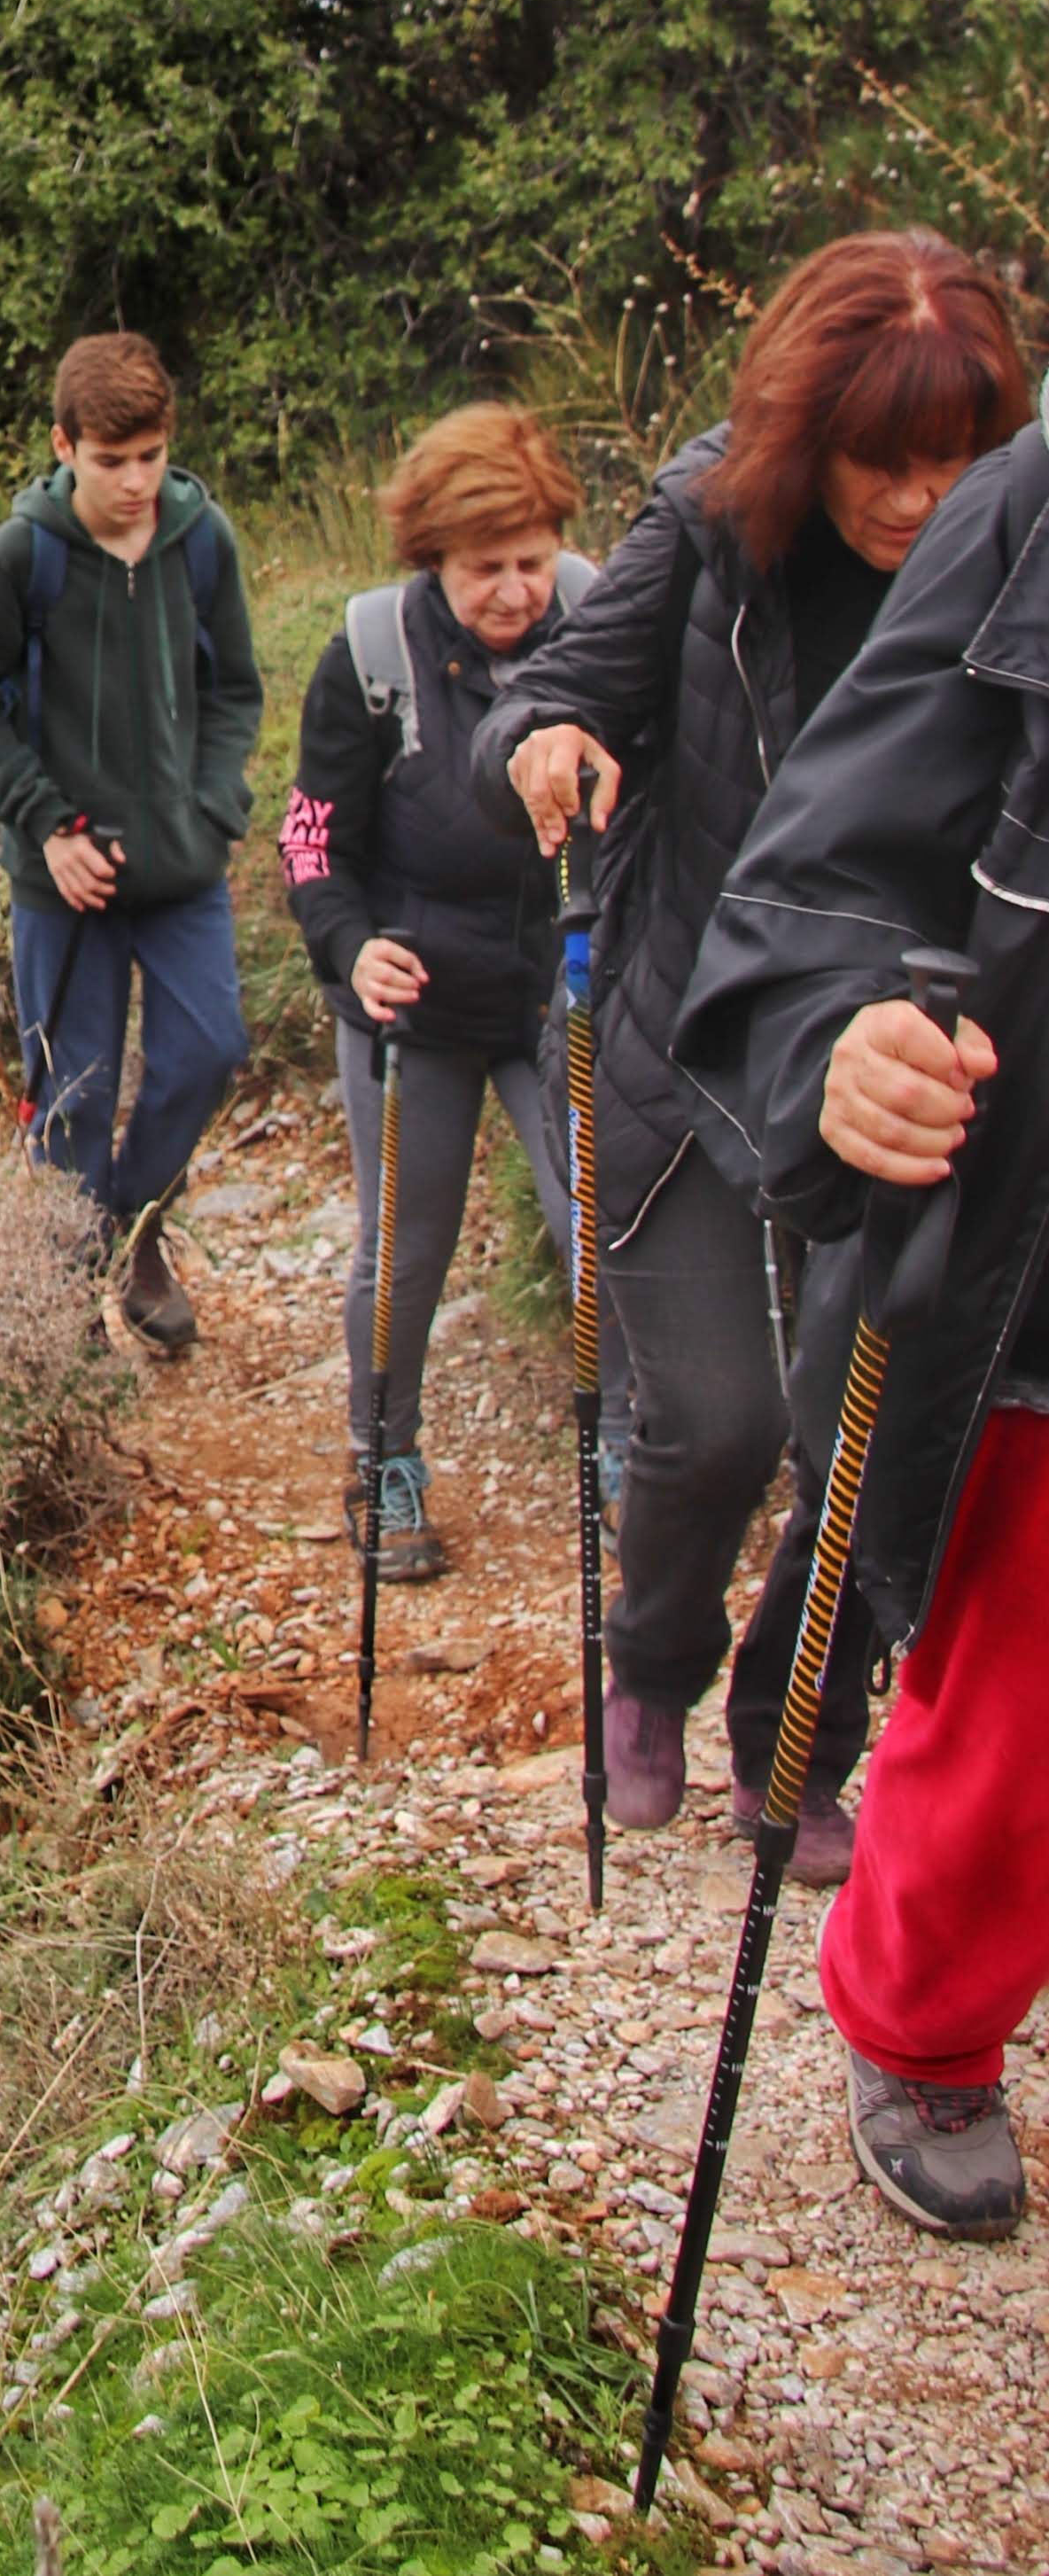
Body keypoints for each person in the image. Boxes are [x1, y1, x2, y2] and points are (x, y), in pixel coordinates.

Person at [475, 230, 1026, 1874]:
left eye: (957, 455)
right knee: (716, 1417)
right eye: (882, 456)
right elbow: (550, 694)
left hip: (905, 1051)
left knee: (863, 1417)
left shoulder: (1018, 549)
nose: (919, 497)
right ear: (806, 431)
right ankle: (652, 1661)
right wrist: (547, 741)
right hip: (689, 1028)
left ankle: (798, 1740)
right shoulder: (715, 521)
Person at [677, 393, 1049, 2238]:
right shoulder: (1028, 513)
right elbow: (827, 862)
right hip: (1019, 1227)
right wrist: (840, 1043)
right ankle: (923, 2010)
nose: (909, 493)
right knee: (1012, 1684)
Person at [280, 404, 606, 1584]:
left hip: (558, 987)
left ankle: (626, 1437)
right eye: (485, 569)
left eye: (532, 559)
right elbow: (310, 838)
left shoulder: (600, 620)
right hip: (412, 996)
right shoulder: (372, 654)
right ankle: (384, 1456)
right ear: (433, 557)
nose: (516, 591)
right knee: (407, 1246)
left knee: (600, 1221)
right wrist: (349, 946)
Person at [0, 330, 262, 1350]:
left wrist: (212, 804)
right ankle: (65, 1310)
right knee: (71, 1093)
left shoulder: (202, 540)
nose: (134, 481)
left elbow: (234, 690)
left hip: (182, 870)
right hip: (63, 880)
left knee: (208, 1050)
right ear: (63, 444)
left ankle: (136, 1228)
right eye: (110, 459)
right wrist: (45, 824)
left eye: (150, 455)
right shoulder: (18, 556)